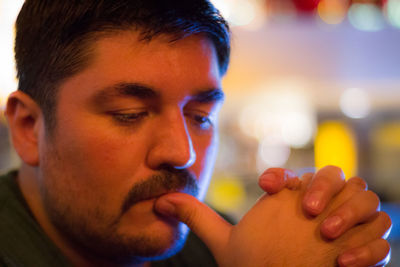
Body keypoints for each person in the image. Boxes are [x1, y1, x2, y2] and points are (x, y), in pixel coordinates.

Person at [1, 0, 391, 266]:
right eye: (130, 114)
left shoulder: (228, 247)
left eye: (200, 116)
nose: (182, 152)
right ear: (29, 128)